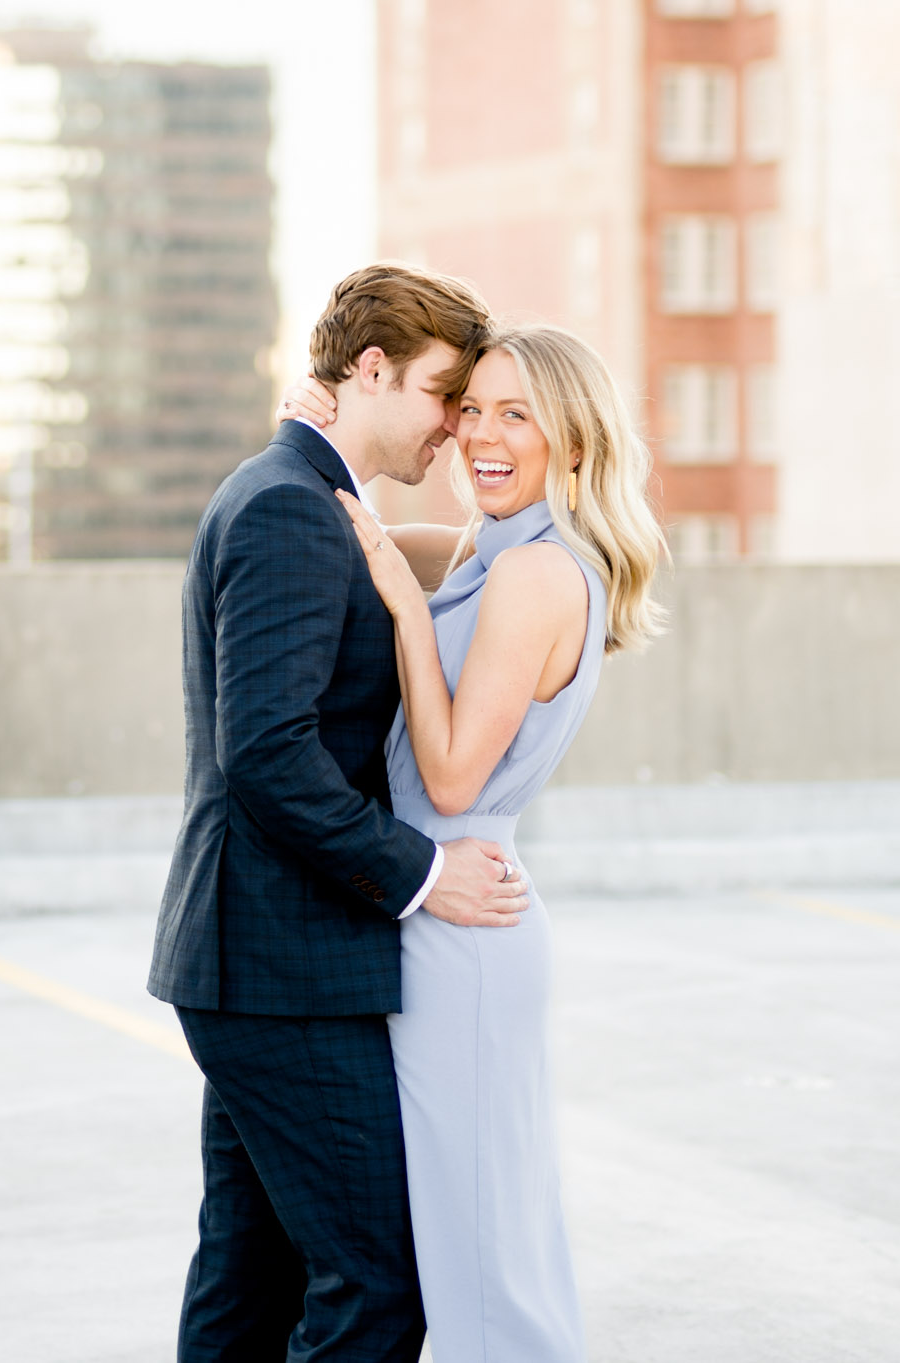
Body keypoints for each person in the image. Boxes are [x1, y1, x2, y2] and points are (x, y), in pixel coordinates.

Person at [148, 262, 530, 1363]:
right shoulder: (285, 510)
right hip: (280, 968)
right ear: (367, 371)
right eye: (440, 395)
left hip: (256, 962)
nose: (453, 428)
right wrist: (421, 870)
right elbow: (264, 756)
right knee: (374, 1282)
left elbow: (457, 567)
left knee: (249, 1275)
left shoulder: (307, 498)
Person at [282, 322, 666, 1362]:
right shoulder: (485, 553)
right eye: (470, 408)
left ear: (574, 444)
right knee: (462, 1238)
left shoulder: (535, 575)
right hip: (430, 906)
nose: (479, 435)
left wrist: (408, 615)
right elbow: (344, 524)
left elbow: (449, 776)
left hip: (464, 919)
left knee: (486, 1253)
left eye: (516, 414)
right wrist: (319, 431)